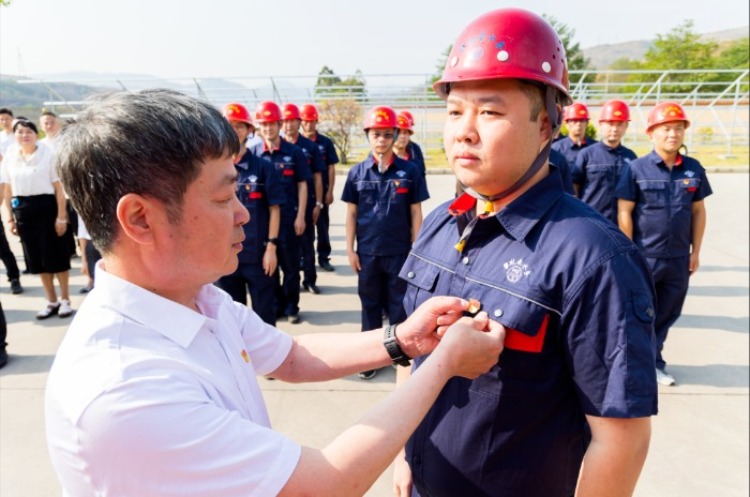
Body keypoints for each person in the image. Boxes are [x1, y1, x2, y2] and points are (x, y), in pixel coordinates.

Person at [45, 88, 505, 497]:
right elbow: (324, 485)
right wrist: (443, 365)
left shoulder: (196, 299)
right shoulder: (127, 392)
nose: (244, 214)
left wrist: (403, 339)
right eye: (223, 199)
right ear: (140, 219)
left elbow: (292, 357)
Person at [393, 9, 658, 497]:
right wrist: (404, 451)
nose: (464, 131)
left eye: (490, 112)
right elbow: (414, 355)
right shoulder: (441, 223)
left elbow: (620, 438)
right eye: (455, 111)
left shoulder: (594, 259)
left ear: (547, 126)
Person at [616, 101, 711, 387]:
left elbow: (698, 211)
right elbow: (625, 211)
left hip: (679, 258)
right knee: (638, 312)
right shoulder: (636, 169)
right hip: (646, 256)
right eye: (666, 129)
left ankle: (653, 361)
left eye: (678, 128)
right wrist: (629, 254)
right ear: (651, 133)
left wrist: (696, 251)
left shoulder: (693, 169)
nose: (673, 134)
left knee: (669, 312)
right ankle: (633, 363)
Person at [342, 106, 429, 380]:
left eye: (387, 134)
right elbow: (351, 214)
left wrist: (418, 250)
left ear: (395, 136)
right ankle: (369, 358)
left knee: (398, 306)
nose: (381, 140)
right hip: (367, 253)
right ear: (368, 136)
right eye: (376, 134)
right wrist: (350, 250)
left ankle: (398, 355)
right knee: (370, 306)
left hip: (400, 252)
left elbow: (415, 212)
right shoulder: (357, 173)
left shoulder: (409, 171)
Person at [216, 102, 285, 325]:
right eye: (229, 125)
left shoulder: (263, 167)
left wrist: (271, 248)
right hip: (224, 255)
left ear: (249, 130)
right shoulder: (212, 170)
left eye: (240, 126)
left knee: (264, 317)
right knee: (229, 319)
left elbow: (274, 209)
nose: (234, 131)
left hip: (258, 255)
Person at [1, 119, 73, 319]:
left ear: (36, 134)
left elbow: (59, 188)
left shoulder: (48, 153)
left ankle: (65, 299)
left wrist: (61, 217)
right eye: (20, 132)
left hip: (47, 208)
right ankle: (51, 300)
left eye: (28, 131)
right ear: (15, 135)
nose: (24, 135)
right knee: (37, 258)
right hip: (23, 210)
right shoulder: (10, 155)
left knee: (57, 256)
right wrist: (9, 218)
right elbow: (7, 189)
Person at [249, 101, 310, 324]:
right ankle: (275, 306)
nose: (268, 128)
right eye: (264, 124)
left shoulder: (294, 152)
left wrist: (301, 215)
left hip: (289, 219)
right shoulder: (254, 153)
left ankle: (292, 306)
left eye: (272, 124)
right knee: (268, 268)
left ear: (279, 125)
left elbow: (302, 184)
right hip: (264, 223)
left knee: (291, 267)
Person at [282, 103, 325, 294]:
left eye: (292, 121)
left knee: (307, 244)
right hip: (283, 206)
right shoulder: (278, 146)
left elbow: (317, 176)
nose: (289, 125)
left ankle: (309, 280)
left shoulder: (310, 147)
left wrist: (318, 203)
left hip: (306, 204)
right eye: (285, 121)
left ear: (299, 122)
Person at [572, 99, 638, 224]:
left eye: (620, 124)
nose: (615, 129)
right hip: (591, 221)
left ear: (626, 126)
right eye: (610, 124)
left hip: (621, 224)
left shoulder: (631, 157)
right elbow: (574, 187)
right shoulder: (587, 154)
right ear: (601, 124)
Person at [300, 103, 339, 272]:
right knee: (302, 229)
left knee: (322, 227)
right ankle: (303, 258)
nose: (309, 125)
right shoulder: (296, 143)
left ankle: (324, 257)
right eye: (305, 121)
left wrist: (329, 191)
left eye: (312, 121)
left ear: (316, 122)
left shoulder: (325, 142)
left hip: (321, 192)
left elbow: (330, 167)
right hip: (301, 194)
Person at [40, 110, 79, 257]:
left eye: (52, 122)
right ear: (41, 126)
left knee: (72, 216)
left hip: (68, 185)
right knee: (59, 217)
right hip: (50, 187)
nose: (49, 125)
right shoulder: (40, 145)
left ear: (58, 123)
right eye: (46, 123)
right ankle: (69, 249)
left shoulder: (66, 141)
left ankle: (80, 244)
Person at [551, 101, 597, 166]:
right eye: (574, 120)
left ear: (587, 123)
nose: (578, 124)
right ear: (567, 123)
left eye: (582, 120)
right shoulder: (557, 148)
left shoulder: (595, 148)